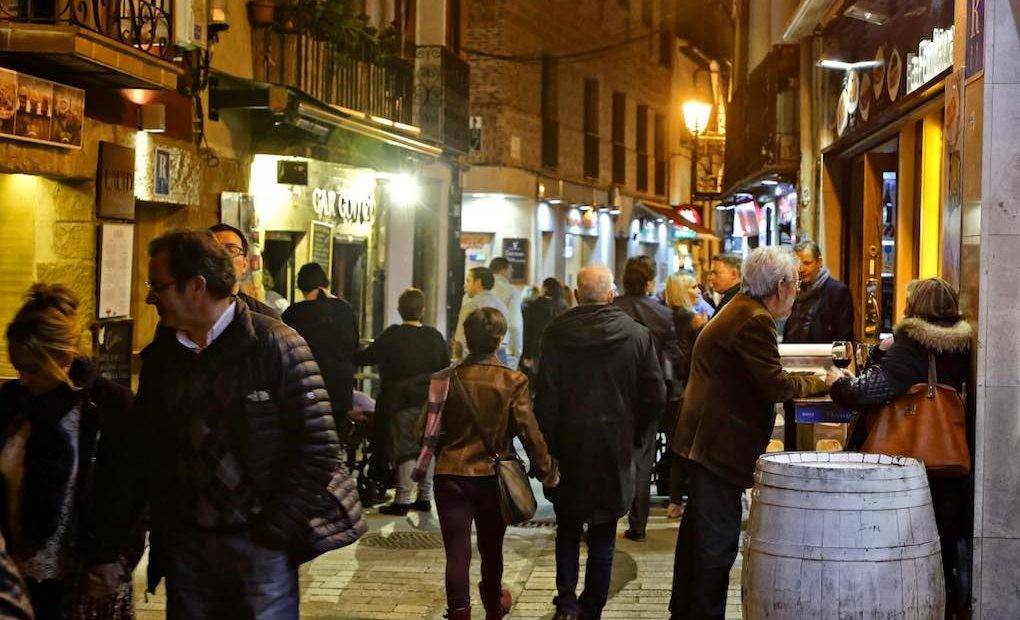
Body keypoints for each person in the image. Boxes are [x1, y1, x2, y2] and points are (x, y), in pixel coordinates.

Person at [91, 230, 348, 618]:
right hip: (187, 548)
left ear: (196, 286)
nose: (149, 297)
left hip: (259, 547)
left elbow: (319, 447)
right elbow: (140, 455)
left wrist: (274, 531)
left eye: (157, 286)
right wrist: (110, 545)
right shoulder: (163, 358)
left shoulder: (274, 344)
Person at [669, 247, 826, 620]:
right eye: (796, 284)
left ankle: (686, 613)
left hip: (704, 442)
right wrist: (821, 382)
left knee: (698, 543)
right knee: (714, 548)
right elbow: (775, 384)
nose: (797, 292)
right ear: (781, 285)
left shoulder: (740, 306)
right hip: (717, 447)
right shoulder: (754, 320)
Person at [827, 278, 971, 615]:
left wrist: (839, 383)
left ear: (914, 308)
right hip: (950, 462)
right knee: (941, 545)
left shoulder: (912, 344)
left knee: (905, 549)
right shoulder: (964, 342)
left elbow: (867, 392)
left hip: (908, 467)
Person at [0, 284, 139, 618]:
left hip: (83, 573)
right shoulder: (11, 404)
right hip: (13, 572)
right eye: (17, 366)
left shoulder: (108, 406)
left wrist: (112, 558)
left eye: (33, 368)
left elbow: (128, 492)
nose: (24, 378)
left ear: (63, 358)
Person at [536, 265, 666, 620]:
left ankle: (565, 602)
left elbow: (544, 396)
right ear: (611, 295)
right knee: (604, 530)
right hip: (614, 443)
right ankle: (592, 606)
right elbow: (655, 394)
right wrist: (635, 432)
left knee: (567, 525)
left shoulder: (555, 334)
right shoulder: (637, 335)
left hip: (568, 445)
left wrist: (546, 449)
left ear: (577, 295)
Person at [430, 307, 559, 620]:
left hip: (449, 474)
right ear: (500, 339)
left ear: (467, 337)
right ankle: (493, 607)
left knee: (456, 553)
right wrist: (546, 470)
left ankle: (459, 612)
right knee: (491, 549)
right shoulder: (513, 380)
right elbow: (529, 431)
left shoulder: (444, 378)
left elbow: (426, 428)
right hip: (492, 476)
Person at [354, 288, 450, 515]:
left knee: (405, 448)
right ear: (423, 310)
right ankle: (425, 496)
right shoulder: (434, 336)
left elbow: (367, 357)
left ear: (399, 310)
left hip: (399, 401)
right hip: (429, 401)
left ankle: (403, 498)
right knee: (427, 446)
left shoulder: (393, 335)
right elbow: (445, 367)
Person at [613, 257, 683, 542]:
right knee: (643, 460)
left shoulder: (611, 310)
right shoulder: (662, 314)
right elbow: (674, 357)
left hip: (614, 392)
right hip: (648, 395)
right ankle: (638, 524)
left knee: (609, 457)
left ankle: (602, 517)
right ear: (649, 282)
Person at [282, 262, 360, 438]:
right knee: (336, 441)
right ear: (326, 283)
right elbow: (354, 347)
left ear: (301, 287)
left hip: (306, 390)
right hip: (341, 391)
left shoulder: (293, 314)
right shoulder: (346, 310)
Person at [662, 272, 708, 519]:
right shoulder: (692, 319)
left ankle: (675, 499)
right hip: (688, 391)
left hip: (670, 392)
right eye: (692, 287)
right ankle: (683, 499)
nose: (698, 290)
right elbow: (692, 358)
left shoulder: (664, 316)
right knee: (689, 446)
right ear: (681, 291)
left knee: (677, 447)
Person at [783, 239, 853, 343]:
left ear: (819, 262)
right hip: (793, 355)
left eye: (807, 263)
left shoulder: (837, 291)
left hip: (823, 356)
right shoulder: (793, 289)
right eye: (797, 264)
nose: (801, 269)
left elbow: (843, 335)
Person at [209, 223, 281, 320]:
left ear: (245, 264)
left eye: (231, 250)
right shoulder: (187, 312)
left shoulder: (265, 317)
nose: (222, 257)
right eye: (214, 250)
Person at [453, 267, 510, 362]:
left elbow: (460, 339)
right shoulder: (501, 305)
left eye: (468, 281)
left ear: (478, 282)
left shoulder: (471, 306)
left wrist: (458, 361)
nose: (465, 285)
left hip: (475, 360)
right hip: (499, 358)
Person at [521, 277, 567, 376]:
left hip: (537, 350)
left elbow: (528, 331)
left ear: (545, 289)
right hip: (557, 352)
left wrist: (526, 354)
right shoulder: (562, 307)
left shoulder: (534, 306)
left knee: (536, 381)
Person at [488, 257, 525, 369]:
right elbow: (515, 323)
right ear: (503, 269)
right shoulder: (512, 291)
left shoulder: (482, 290)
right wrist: (517, 350)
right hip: (503, 347)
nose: (512, 272)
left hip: (479, 348)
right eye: (510, 269)